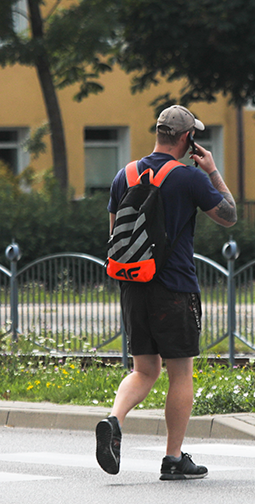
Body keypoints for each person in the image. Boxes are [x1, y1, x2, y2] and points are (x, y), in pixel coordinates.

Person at [96, 105, 237, 480]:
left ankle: (114, 418)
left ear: (158, 133)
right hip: (174, 286)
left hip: (133, 284)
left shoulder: (123, 175)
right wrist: (211, 170)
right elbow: (228, 215)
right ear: (187, 138)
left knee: (143, 370)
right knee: (180, 373)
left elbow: (114, 234)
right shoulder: (187, 177)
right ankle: (173, 458)